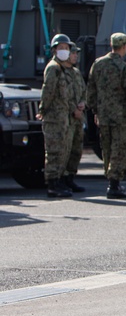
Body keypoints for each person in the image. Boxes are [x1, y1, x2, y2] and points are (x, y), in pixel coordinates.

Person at [86, 32, 126, 199]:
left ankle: (110, 180)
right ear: (123, 47)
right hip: (121, 116)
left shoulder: (98, 64)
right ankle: (114, 184)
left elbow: (91, 91)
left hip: (104, 115)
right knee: (120, 148)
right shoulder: (125, 68)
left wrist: (95, 111)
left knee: (107, 148)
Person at [37, 34, 76, 198]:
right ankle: (52, 184)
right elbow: (48, 91)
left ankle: (58, 180)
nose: (64, 51)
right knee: (53, 152)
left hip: (62, 118)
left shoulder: (62, 68)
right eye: (61, 48)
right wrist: (43, 109)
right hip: (54, 118)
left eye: (66, 48)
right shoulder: (53, 67)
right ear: (54, 50)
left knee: (62, 151)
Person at [64, 43, 87, 193]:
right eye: (73, 53)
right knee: (65, 150)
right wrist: (74, 109)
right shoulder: (60, 72)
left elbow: (84, 91)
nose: (75, 56)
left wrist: (83, 103)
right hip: (67, 118)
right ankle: (62, 179)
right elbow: (63, 95)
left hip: (78, 118)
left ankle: (70, 178)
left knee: (76, 150)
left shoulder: (77, 73)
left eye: (76, 53)